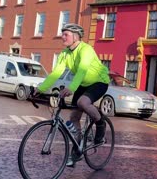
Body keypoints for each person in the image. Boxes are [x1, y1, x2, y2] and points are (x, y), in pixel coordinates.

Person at [31, 23, 110, 166]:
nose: (62, 37)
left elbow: (82, 70)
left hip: (99, 81)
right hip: (82, 84)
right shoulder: (65, 53)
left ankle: (100, 123)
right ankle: (77, 150)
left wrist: (72, 87)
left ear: (76, 36)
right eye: (62, 34)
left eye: (65, 34)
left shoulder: (86, 49)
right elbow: (56, 72)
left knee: (83, 103)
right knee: (74, 117)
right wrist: (41, 88)